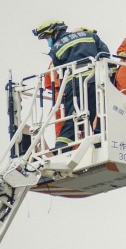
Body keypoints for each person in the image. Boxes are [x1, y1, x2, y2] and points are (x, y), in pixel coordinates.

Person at [31, 19, 109, 152]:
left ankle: (62, 148)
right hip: (96, 81)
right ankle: (99, 141)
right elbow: (105, 55)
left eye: (47, 37)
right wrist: (110, 79)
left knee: (72, 118)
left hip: (75, 86)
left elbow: (59, 71)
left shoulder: (56, 47)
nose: (48, 41)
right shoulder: (91, 36)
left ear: (55, 32)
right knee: (99, 112)